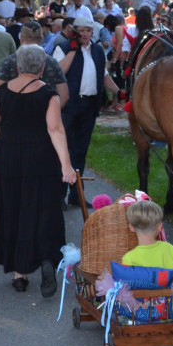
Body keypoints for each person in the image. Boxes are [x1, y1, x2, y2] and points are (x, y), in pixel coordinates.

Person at [0, 45, 76, 295]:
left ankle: (20, 274)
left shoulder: (1, 92)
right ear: (42, 68)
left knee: (13, 208)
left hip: (8, 156)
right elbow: (55, 130)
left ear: (18, 66)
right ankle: (45, 259)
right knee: (43, 207)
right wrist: (66, 164)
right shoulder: (49, 95)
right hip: (41, 157)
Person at [53, 12, 120, 208]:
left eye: (88, 30)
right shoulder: (63, 48)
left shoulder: (98, 50)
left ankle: (76, 195)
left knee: (80, 151)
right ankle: (60, 196)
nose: (85, 34)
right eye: (80, 31)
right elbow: (59, 72)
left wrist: (119, 92)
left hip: (89, 106)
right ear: (73, 32)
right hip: (68, 106)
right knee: (64, 151)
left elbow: (104, 75)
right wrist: (73, 50)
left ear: (93, 32)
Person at [0, 21, 68, 136]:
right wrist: (51, 114)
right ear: (41, 39)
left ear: (21, 38)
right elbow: (64, 95)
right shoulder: (52, 62)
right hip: (43, 124)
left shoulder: (10, 61)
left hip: (13, 124)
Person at [122, 200, 173, 275]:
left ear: (131, 227)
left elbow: (127, 284)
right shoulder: (170, 249)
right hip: (169, 287)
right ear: (160, 227)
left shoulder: (128, 258)